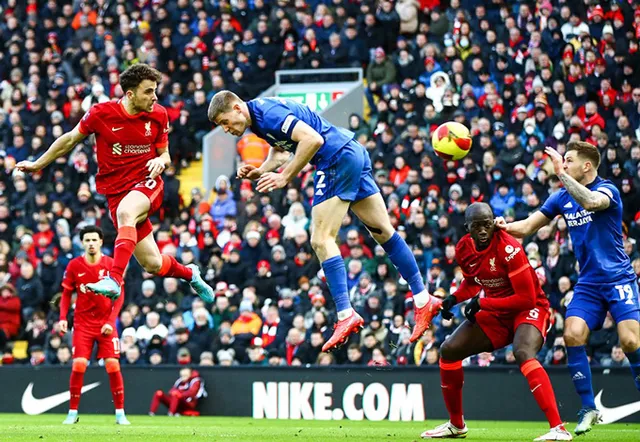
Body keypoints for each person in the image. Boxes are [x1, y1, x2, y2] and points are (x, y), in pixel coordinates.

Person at [207, 91, 440, 352]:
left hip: (334, 159)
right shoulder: (260, 117)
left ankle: (345, 314)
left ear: (237, 108)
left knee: (320, 239)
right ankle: (422, 298)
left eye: (224, 122)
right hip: (351, 152)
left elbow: (312, 140)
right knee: (382, 232)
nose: (226, 130)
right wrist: (262, 170)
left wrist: (284, 177)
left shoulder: (268, 114)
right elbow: (282, 150)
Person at [16, 63, 213, 304]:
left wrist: (161, 162)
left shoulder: (159, 114)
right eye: (148, 91)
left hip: (148, 183)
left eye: (155, 90)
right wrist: (38, 164)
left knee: (126, 212)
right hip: (116, 191)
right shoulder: (101, 114)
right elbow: (69, 140)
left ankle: (113, 279)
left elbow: (165, 154)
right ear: (130, 94)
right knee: (153, 264)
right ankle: (190, 273)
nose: (155, 97)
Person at [497, 142, 640, 435]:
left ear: (586, 166)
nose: (563, 163)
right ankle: (589, 408)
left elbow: (590, 202)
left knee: (630, 342)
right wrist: (503, 226)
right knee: (572, 334)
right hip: (588, 283)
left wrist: (561, 173)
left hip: (618, 279)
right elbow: (526, 227)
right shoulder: (561, 197)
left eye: (569, 160)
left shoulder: (607, 190)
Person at [421, 203, 571, 441]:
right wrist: (453, 299)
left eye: (487, 224)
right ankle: (456, 425)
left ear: (494, 222)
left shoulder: (509, 247)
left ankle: (558, 429)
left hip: (530, 309)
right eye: (477, 225)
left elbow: (526, 298)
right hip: (497, 311)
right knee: (449, 350)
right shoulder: (463, 248)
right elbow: (472, 282)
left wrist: (482, 304)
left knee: (523, 352)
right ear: (467, 227)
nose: (483, 230)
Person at [58, 226, 129, 425]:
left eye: (94, 240)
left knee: (113, 365)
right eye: (87, 240)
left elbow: (120, 295)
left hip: (106, 323)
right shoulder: (74, 265)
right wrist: (63, 317)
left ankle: (120, 414)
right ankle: (72, 413)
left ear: (100, 242)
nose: (90, 243)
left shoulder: (111, 264)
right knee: (79, 364)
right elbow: (65, 294)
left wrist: (110, 321)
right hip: (83, 323)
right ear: (82, 243)